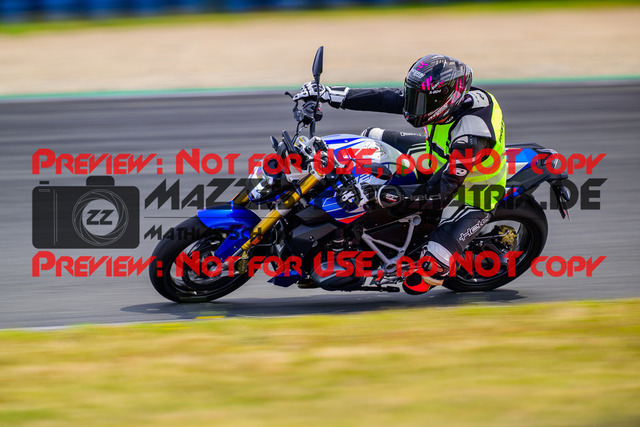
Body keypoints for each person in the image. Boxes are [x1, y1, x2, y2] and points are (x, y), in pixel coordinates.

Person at [293, 54, 506, 292]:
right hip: (438, 155)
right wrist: (330, 94)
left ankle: (441, 261)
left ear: (447, 99)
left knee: (426, 274)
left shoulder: (472, 137)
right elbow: (388, 98)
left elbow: (440, 194)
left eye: (420, 101)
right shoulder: (447, 100)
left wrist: (378, 193)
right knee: (369, 138)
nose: (413, 106)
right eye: (415, 97)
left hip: (471, 193)